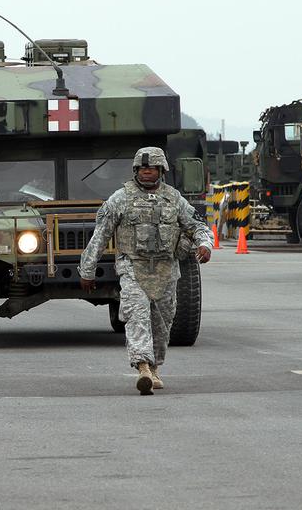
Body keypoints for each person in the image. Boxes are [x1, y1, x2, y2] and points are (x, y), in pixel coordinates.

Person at [78, 147, 212, 395]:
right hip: (132, 268)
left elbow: (197, 226)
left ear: (161, 171)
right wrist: (87, 270)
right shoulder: (120, 199)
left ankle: (154, 367)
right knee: (136, 316)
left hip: (166, 271)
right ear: (135, 170)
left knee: (162, 323)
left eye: (152, 168)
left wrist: (205, 245)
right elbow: (100, 235)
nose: (147, 172)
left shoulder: (175, 199)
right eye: (142, 168)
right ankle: (142, 368)